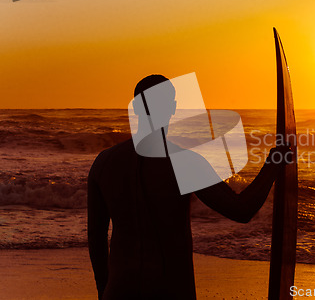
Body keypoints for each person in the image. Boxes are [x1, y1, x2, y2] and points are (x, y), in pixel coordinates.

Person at [88, 75, 289, 300]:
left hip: (118, 291)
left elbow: (96, 239)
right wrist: (273, 165)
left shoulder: (104, 163)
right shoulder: (184, 162)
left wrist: (103, 290)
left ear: (135, 107)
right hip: (170, 290)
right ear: (173, 108)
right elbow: (241, 210)